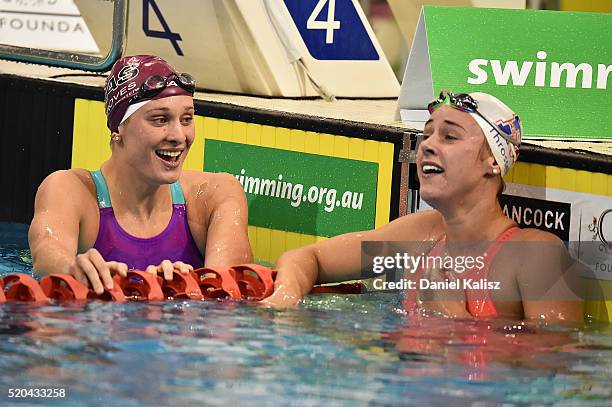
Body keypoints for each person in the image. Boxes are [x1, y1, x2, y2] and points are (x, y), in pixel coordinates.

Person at [263, 91, 583, 322]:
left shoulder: (537, 256)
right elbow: (309, 258)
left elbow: (552, 371)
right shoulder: (420, 235)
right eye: (427, 134)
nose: (427, 145)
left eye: (450, 137)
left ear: (492, 162)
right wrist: (285, 297)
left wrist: (455, 320)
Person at [29, 55, 252, 294]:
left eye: (187, 119)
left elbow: (230, 297)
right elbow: (46, 257)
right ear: (118, 128)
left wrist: (188, 287)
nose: (179, 136)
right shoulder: (72, 191)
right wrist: (73, 269)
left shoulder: (213, 195)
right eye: (160, 119)